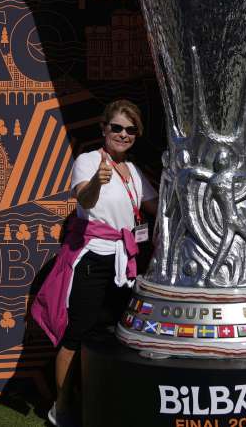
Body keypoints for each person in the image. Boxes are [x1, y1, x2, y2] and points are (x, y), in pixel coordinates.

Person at [32, 99, 158, 427]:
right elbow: (84, 199)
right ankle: (61, 407)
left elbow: (157, 208)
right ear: (104, 129)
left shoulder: (133, 170)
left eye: (130, 130)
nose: (123, 134)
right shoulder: (88, 161)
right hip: (93, 258)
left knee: (125, 334)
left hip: (128, 261)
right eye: (116, 127)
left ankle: (112, 402)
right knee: (77, 334)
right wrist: (97, 183)